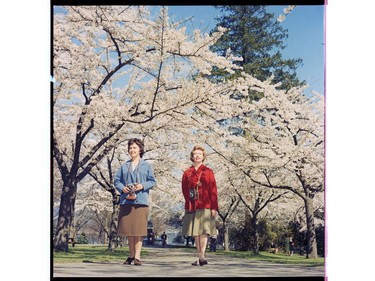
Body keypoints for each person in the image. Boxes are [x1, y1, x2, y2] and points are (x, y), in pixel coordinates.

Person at [114, 138, 156, 266]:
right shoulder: (124, 166)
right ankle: (131, 255)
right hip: (126, 201)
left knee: (138, 230)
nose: (132, 150)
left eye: (135, 148)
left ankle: (137, 256)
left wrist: (142, 186)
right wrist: (123, 188)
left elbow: (152, 181)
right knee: (129, 230)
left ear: (140, 150)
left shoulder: (146, 166)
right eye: (130, 148)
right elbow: (117, 181)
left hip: (141, 201)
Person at [181, 145, 219, 266]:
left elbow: (213, 190)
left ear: (203, 156)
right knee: (195, 232)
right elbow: (184, 189)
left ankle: (201, 255)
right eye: (195, 154)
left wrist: (214, 207)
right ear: (192, 156)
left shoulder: (208, 171)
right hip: (192, 205)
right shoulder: (187, 172)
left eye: (200, 154)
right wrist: (189, 201)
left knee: (204, 231)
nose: (197, 155)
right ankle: (200, 257)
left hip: (206, 205)